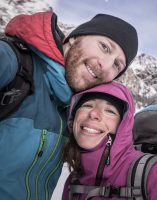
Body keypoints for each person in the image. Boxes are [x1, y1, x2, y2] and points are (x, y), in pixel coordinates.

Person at [0, 11, 138, 199]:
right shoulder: (13, 62)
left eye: (117, 65)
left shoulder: (74, 110)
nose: (106, 66)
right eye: (104, 47)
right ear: (73, 39)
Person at [62, 82, 157, 200]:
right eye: (87, 105)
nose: (94, 114)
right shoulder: (73, 181)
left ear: (123, 126)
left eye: (110, 111)